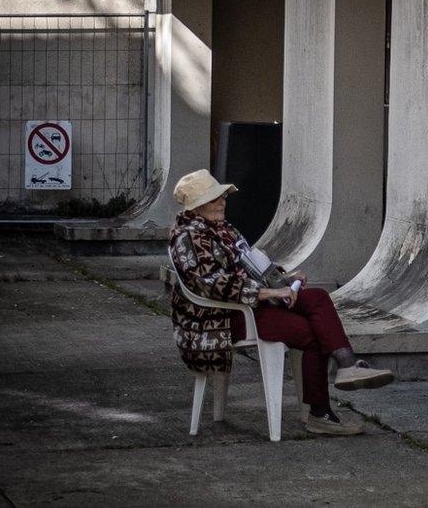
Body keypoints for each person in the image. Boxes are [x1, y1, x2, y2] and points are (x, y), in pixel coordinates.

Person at [169, 169, 395, 436]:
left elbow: (250, 265)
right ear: (196, 207)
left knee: (318, 298)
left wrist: (283, 279)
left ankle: (347, 366)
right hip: (221, 317)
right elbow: (211, 284)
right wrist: (270, 294)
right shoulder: (189, 236)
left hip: (251, 303)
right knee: (310, 332)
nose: (222, 202)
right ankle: (320, 413)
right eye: (213, 199)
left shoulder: (223, 229)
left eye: (221, 197)